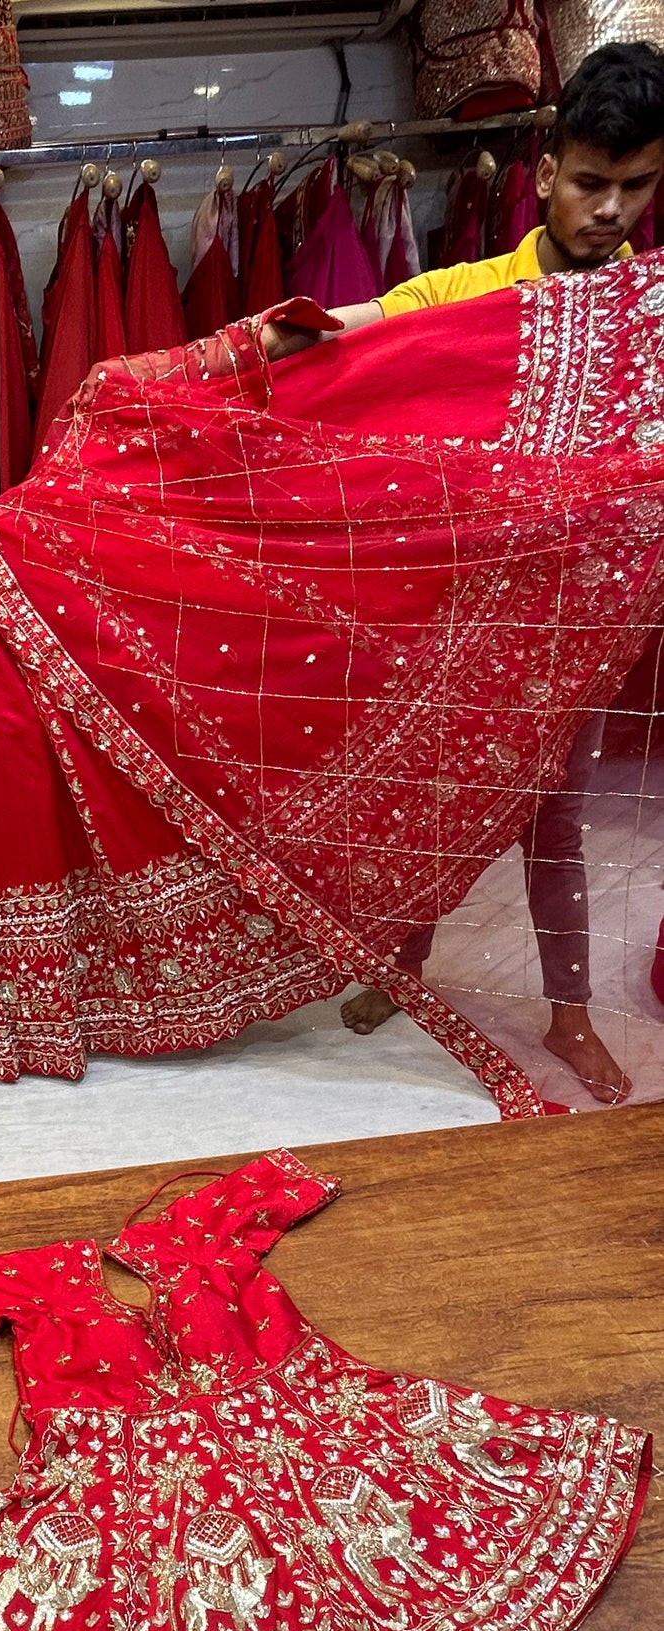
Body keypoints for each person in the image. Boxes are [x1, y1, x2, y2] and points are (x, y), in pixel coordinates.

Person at [261, 42, 664, 1105]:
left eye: (635, 186)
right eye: (589, 182)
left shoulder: (648, 322)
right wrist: (275, 339)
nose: (610, 210)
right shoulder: (476, 294)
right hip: (465, 615)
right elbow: (380, 329)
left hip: (578, 625)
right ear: (542, 173)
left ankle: (569, 1019)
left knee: (556, 824)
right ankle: (403, 972)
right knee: (437, 803)